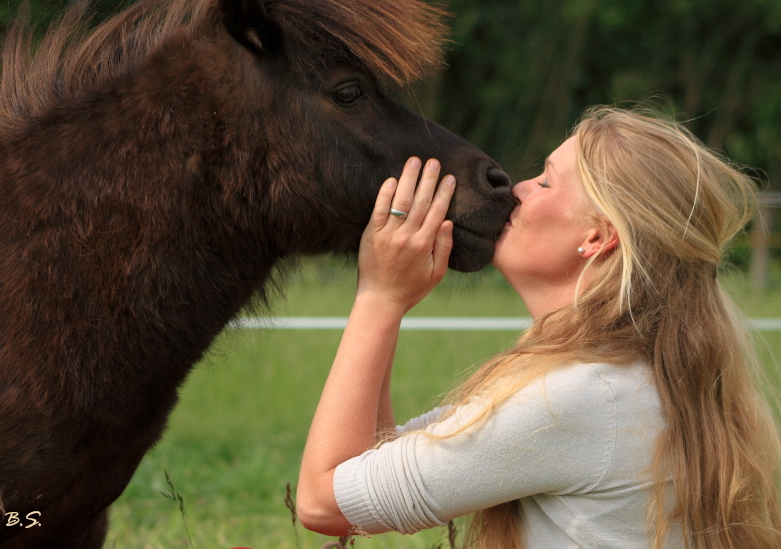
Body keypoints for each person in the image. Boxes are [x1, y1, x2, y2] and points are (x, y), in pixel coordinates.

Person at [296, 106, 781, 549]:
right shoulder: (630, 381)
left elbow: (324, 502)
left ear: (598, 237)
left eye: (546, 182)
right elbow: (374, 463)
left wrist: (379, 297)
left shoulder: (578, 399)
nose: (519, 188)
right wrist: (393, 304)